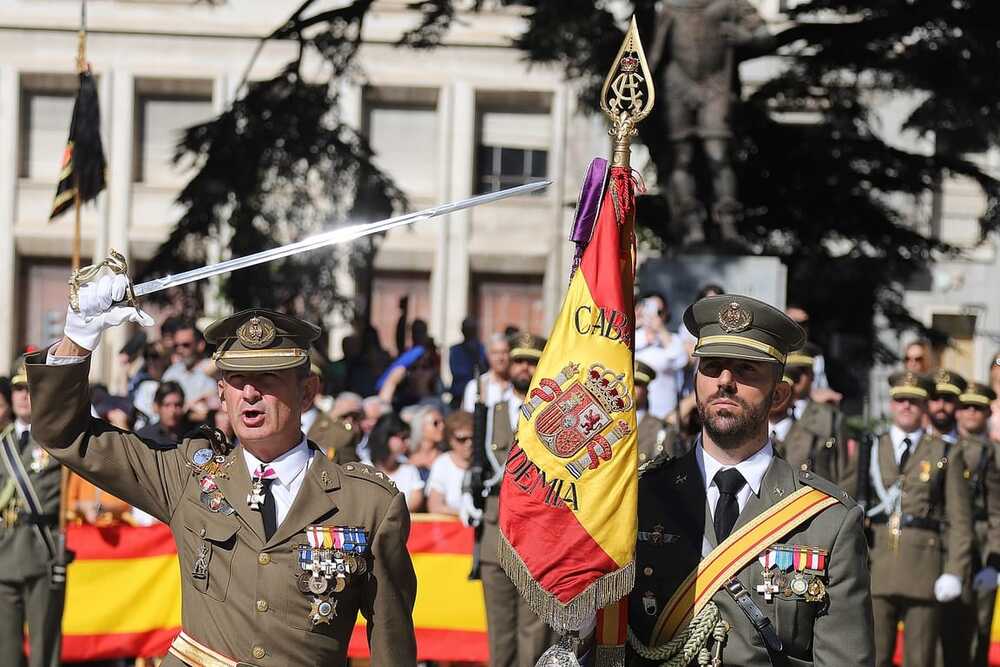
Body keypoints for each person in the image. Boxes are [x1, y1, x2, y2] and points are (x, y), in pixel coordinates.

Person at [27, 282, 417, 665]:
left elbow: (390, 640)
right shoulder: (187, 476)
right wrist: (77, 339)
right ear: (221, 394)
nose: (249, 393)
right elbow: (66, 434)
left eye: (268, 379)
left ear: (308, 391)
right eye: (237, 380)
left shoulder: (368, 504)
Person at [614, 294, 873, 665]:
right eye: (712, 367)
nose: (724, 381)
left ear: (779, 394)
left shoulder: (827, 520)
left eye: (746, 369)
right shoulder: (640, 498)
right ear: (696, 382)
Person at [848, 370, 972, 667]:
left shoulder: (945, 451)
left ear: (926, 406)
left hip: (924, 570)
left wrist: (955, 570)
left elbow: (959, 519)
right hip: (877, 566)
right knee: (873, 657)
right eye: (901, 399)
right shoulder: (871, 447)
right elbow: (847, 503)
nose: (906, 406)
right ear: (892, 404)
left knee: (920, 659)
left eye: (914, 401)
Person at [478, 332, 554, 667]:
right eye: (519, 360)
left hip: (536, 534)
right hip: (495, 531)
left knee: (533, 634)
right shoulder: (490, 411)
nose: (524, 368)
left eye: (532, 361)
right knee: (500, 635)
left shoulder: (553, 416)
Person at [0, 356, 64, 667]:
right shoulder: (2, 443)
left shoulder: (57, 442)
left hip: (43, 552)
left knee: (44, 649)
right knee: (5, 650)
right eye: (18, 389)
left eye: (31, 388)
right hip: (4, 554)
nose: (24, 396)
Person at [940, 381, 1000, 667]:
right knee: (942, 625)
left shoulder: (994, 453)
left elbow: (997, 512)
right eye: (965, 406)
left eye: (978, 407)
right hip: (945, 542)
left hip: (982, 543)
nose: (970, 413)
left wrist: (994, 562)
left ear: (988, 412)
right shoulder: (942, 446)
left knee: (979, 626)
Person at [774, 343, 847, 484]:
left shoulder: (830, 417)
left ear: (812, 375)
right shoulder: (766, 415)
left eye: (800, 372)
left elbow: (843, 470)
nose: (795, 379)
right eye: (788, 371)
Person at [634, 291, 688, 419]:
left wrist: (660, 329)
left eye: (659, 312)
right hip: (636, 416)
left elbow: (682, 360)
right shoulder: (635, 338)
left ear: (665, 314)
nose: (653, 315)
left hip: (665, 414)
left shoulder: (672, 339)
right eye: (648, 308)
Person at [161, 321, 218, 422]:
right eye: (176, 346)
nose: (180, 349)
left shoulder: (213, 369)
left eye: (186, 345)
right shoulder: (172, 373)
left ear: (200, 345)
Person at [368, 413, 425, 513]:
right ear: (385, 437)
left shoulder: (409, 470)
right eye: (403, 437)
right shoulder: (363, 469)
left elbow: (415, 502)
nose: (407, 442)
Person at [426, 411, 474, 516]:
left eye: (472, 438)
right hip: (453, 529)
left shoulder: (485, 462)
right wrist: (462, 513)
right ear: (450, 440)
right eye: (462, 439)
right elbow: (435, 507)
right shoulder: (442, 464)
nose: (469, 443)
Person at [635, 360, 682, 464]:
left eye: (636, 384)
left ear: (647, 390)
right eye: (628, 382)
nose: (631, 388)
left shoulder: (663, 429)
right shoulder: (609, 425)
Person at [462, 333, 512, 412]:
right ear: (487, 355)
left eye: (504, 352)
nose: (500, 358)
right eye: (495, 353)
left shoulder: (517, 386)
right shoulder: (475, 387)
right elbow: (468, 419)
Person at [449, 317, 487, 409]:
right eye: (467, 329)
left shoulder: (481, 349)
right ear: (462, 330)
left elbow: (485, 370)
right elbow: (457, 371)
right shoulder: (455, 350)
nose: (469, 332)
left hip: (478, 395)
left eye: (471, 329)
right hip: (459, 396)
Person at [136, 381, 187, 448]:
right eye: (167, 405)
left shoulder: (192, 434)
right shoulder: (144, 437)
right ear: (157, 407)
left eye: (177, 405)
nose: (173, 410)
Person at [408, 405, 446, 480]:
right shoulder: (407, 458)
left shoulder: (446, 458)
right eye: (436, 423)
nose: (442, 427)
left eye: (443, 422)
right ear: (421, 426)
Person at [926, 369, 965, 443]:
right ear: (926, 402)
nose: (941, 406)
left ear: (957, 404)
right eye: (935, 398)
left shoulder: (969, 447)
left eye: (948, 399)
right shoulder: (915, 445)